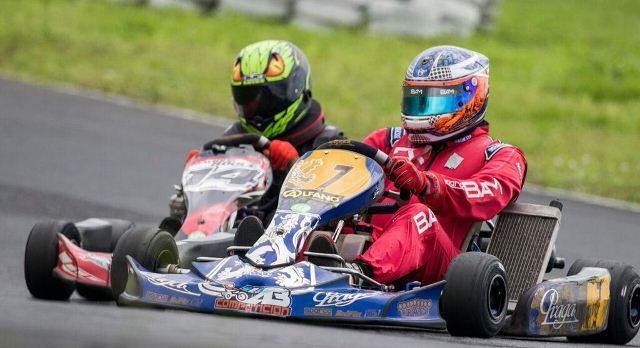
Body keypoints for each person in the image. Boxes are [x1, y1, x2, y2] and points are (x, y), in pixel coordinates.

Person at [339, 45, 527, 287]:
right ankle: (286, 264)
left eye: (432, 102)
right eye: (416, 101)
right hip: (369, 242)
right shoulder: (389, 141)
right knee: (326, 212)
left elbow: (486, 195)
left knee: (420, 216)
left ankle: (358, 276)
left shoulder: (501, 155)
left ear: (469, 98)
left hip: (441, 268)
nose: (421, 112)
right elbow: (342, 175)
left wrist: (427, 184)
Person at [170, 40, 344, 224]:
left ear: (298, 89)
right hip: (228, 231)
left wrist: (297, 167)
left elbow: (335, 208)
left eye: (269, 99)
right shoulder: (233, 138)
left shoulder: (329, 144)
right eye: (249, 98)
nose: (258, 109)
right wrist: (200, 171)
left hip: (290, 237)